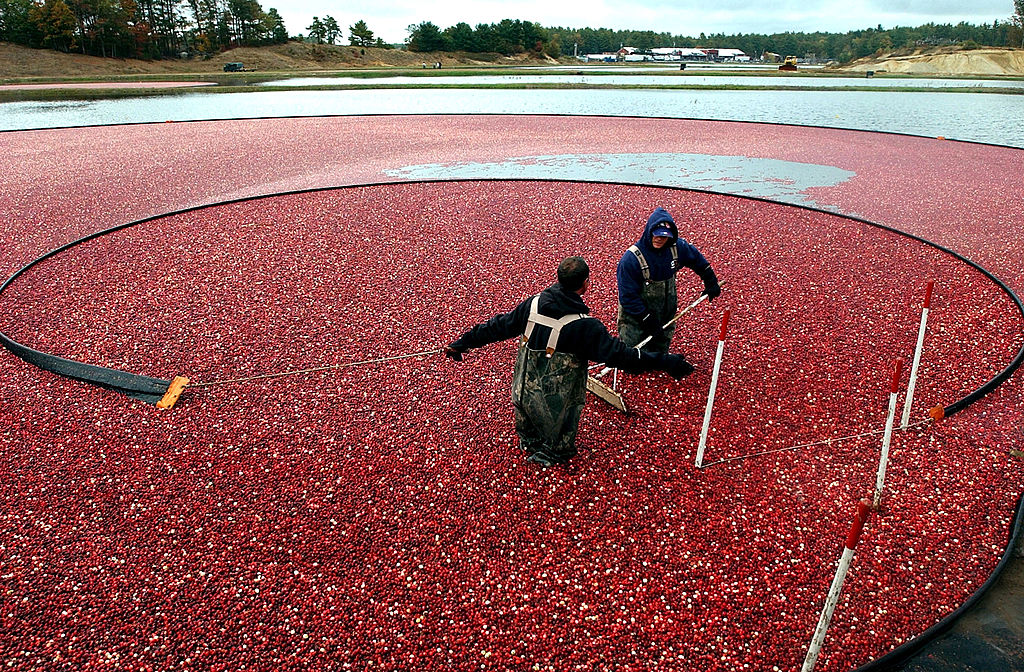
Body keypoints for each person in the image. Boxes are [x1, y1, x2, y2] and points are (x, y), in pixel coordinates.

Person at [444, 256, 695, 467]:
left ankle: (529, 441)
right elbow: (623, 357)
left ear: (558, 279)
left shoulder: (533, 305)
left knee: (527, 415)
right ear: (585, 283)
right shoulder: (585, 326)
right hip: (557, 398)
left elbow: (496, 327)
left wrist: (463, 342)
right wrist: (665, 361)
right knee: (560, 426)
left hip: (523, 391)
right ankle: (555, 453)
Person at [616, 207, 721, 354]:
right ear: (649, 232)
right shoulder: (631, 259)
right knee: (635, 357)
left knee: (660, 353)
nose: (660, 239)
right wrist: (646, 318)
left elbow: (698, 261)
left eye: (664, 236)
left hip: (665, 311)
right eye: (656, 235)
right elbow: (627, 296)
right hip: (635, 317)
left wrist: (710, 280)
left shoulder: (677, 248)